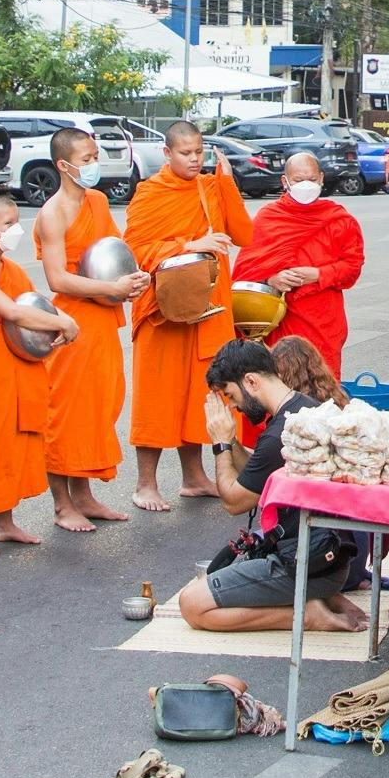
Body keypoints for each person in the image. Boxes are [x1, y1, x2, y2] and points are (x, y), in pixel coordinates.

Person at [170, 340, 366, 635]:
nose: (233, 406)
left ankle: (307, 615)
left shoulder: (280, 434)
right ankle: (321, 598)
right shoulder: (303, 409)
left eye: (231, 395)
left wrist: (221, 444)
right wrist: (233, 441)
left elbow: (234, 502)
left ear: (250, 380)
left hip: (301, 564)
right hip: (325, 558)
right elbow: (260, 468)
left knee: (192, 605)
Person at [123, 123, 252, 511]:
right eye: (185, 153)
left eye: (198, 152)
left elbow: (244, 234)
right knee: (159, 395)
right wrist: (192, 244)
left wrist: (227, 182)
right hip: (164, 309)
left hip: (209, 307)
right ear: (167, 154)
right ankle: (146, 483)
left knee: (203, 393)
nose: (194, 159)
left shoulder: (211, 186)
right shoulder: (150, 192)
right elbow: (136, 249)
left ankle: (194, 477)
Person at [30, 125, 147, 533]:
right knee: (66, 413)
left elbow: (115, 254)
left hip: (103, 319)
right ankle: (63, 504)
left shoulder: (96, 201)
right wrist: (109, 288)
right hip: (73, 324)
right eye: (86, 160)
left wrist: (133, 279)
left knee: (98, 407)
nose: (95, 164)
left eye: (96, 156)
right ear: (63, 165)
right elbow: (58, 279)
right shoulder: (53, 213)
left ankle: (84, 496)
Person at [0, 192, 76, 556]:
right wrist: (63, 323)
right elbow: (13, 313)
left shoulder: (13, 269)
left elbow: (34, 305)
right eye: (9, 224)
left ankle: (5, 523)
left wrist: (56, 325)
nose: (16, 229)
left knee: (17, 439)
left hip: (21, 361)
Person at [233, 150, 367, 376]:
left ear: (322, 179)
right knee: (279, 384)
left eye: (312, 179)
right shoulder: (269, 218)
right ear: (285, 181)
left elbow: (352, 269)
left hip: (323, 320)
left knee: (321, 386)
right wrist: (272, 279)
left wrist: (317, 274)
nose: (306, 185)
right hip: (279, 321)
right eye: (298, 180)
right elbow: (243, 278)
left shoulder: (339, 220)